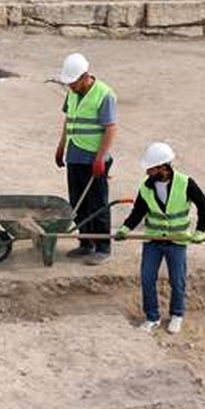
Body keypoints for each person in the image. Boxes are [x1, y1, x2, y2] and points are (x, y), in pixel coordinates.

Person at [115, 142, 205, 334]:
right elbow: (138, 212)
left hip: (177, 240)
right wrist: (125, 228)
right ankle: (152, 317)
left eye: (151, 168)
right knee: (147, 277)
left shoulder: (185, 183)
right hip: (153, 240)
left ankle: (177, 315)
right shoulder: (146, 187)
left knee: (177, 280)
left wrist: (200, 231)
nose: (147, 172)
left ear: (163, 168)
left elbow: (204, 206)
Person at [54, 52, 117, 266]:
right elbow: (68, 120)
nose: (70, 86)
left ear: (84, 77)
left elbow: (110, 129)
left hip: (94, 158)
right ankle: (85, 243)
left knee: (97, 203)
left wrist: (100, 158)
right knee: (78, 202)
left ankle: (102, 246)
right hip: (75, 155)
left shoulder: (104, 94)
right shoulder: (72, 93)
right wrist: (61, 147)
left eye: (73, 82)